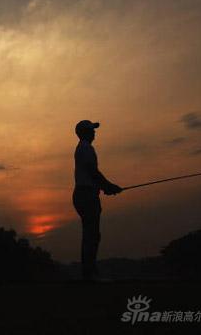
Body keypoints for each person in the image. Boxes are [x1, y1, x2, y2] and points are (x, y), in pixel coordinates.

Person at [72, 120, 122, 282]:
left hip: (86, 193)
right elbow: (92, 172)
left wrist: (105, 187)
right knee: (91, 235)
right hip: (86, 195)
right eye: (91, 130)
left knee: (92, 234)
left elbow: (92, 174)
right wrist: (108, 186)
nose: (94, 132)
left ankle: (89, 273)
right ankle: (89, 274)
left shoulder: (84, 148)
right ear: (84, 132)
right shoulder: (86, 148)